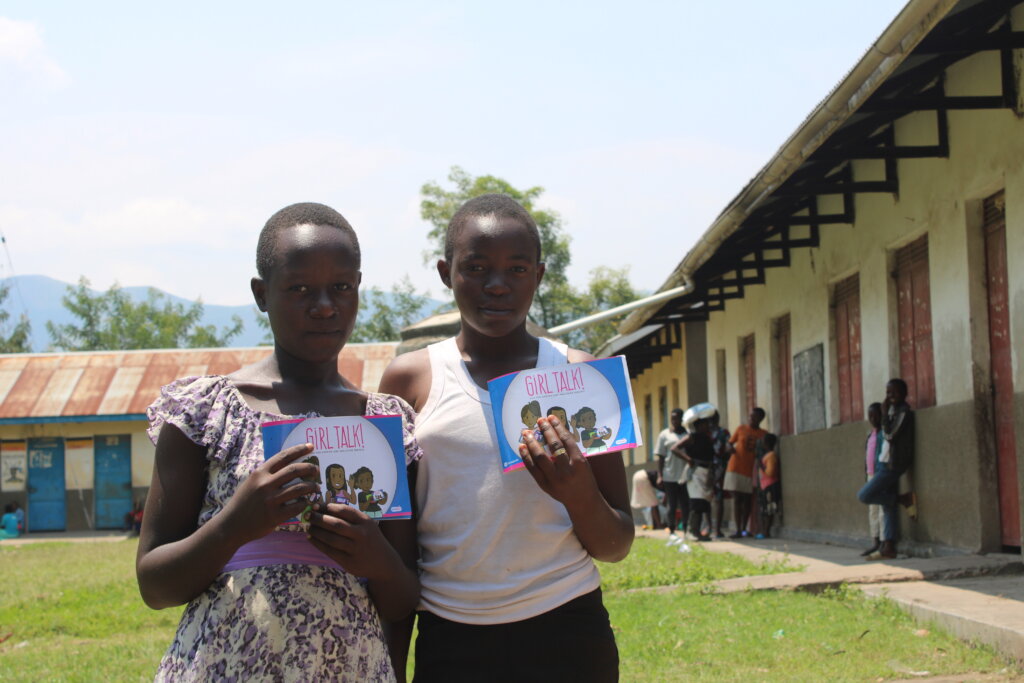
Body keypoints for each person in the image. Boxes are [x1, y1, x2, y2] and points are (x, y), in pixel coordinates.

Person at [135, 202, 421, 681]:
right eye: (300, 288)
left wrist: (378, 559)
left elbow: (404, 599)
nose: (324, 305)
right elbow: (155, 585)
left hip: (348, 666)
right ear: (261, 293)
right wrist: (236, 524)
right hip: (225, 665)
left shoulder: (384, 422)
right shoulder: (206, 411)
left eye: (341, 287)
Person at [380, 193, 632, 682]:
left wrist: (579, 495)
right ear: (444, 272)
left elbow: (616, 544)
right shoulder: (409, 381)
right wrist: (391, 662)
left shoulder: (581, 376)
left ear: (538, 276)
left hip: (567, 631)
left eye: (517, 270)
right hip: (452, 637)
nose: (496, 285)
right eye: (475, 267)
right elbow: (399, 549)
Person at [858, 379, 917, 560]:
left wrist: (884, 414)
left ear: (904, 394)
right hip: (883, 462)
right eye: (888, 393)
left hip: (894, 465)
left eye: (895, 393)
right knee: (887, 506)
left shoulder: (904, 413)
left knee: (864, 496)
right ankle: (889, 546)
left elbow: (890, 435)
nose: (891, 396)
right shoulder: (890, 411)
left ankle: (902, 499)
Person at [671, 404, 717, 542]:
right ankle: (692, 531)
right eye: (704, 424)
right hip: (695, 472)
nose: (707, 426)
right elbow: (675, 448)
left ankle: (697, 531)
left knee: (704, 503)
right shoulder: (692, 437)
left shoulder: (707, 438)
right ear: (698, 425)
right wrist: (688, 459)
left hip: (706, 472)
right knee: (696, 502)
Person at [723, 407, 767, 538]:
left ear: (760, 419)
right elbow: (729, 443)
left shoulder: (763, 434)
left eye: (755, 417)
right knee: (737, 499)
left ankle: (744, 528)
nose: (751, 419)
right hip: (735, 467)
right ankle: (737, 529)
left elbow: (763, 452)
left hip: (750, 470)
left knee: (747, 500)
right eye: (750, 416)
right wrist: (729, 448)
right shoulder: (741, 429)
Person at [655, 408, 688, 543]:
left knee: (686, 504)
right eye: (672, 418)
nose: (674, 421)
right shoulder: (664, 435)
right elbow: (661, 456)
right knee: (672, 504)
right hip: (669, 475)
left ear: (682, 420)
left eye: (677, 418)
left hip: (685, 475)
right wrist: (660, 475)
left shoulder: (687, 434)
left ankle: (686, 528)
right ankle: (672, 529)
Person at [861, 402, 884, 556]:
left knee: (882, 510)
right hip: (871, 475)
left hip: (880, 474)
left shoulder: (884, 433)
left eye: (876, 415)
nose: (873, 418)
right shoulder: (871, 434)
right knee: (873, 510)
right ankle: (875, 540)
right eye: (870, 416)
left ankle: (883, 541)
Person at [709, 412, 731, 538]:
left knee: (719, 498)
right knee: (706, 499)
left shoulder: (724, 433)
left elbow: (728, 448)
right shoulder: (705, 434)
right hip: (707, 468)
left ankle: (717, 528)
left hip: (720, 468)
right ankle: (709, 526)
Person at [755, 433, 780, 539]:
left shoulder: (771, 456)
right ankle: (764, 530)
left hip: (770, 486)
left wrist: (761, 466)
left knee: (768, 510)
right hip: (764, 486)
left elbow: (770, 472)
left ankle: (766, 531)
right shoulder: (766, 455)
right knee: (764, 509)